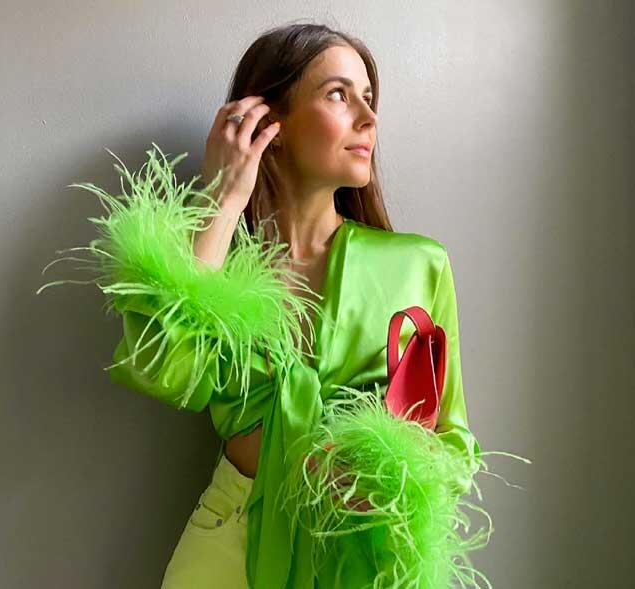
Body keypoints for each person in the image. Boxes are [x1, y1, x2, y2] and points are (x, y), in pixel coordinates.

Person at [38, 22, 505, 589]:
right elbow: (164, 371)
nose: (368, 117)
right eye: (338, 94)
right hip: (228, 540)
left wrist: (388, 478)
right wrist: (223, 199)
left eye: (369, 97)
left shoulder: (417, 264)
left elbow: (452, 441)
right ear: (269, 124)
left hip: (357, 555)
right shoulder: (216, 259)